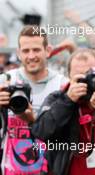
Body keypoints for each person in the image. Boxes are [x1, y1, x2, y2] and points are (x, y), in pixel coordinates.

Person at [31, 48, 95, 175]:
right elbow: (41, 131)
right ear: (69, 77)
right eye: (79, 77)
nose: (86, 81)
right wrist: (68, 101)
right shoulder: (58, 98)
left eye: (90, 74)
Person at [0, 25, 68, 174]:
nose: (31, 56)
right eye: (25, 51)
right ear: (18, 53)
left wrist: (34, 121)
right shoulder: (5, 81)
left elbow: (68, 134)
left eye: (36, 50)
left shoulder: (62, 85)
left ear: (48, 51)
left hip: (50, 169)